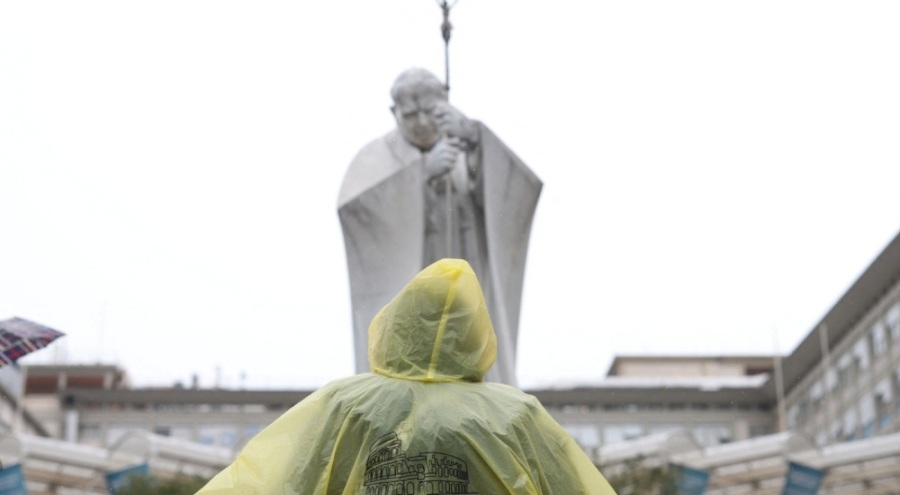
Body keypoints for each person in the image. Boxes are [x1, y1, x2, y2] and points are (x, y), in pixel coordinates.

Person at [196, 259, 616, 494]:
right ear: (476, 330)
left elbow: (270, 482)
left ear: (398, 319)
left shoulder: (343, 406)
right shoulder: (515, 416)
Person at [338, 68, 541, 386]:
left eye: (429, 112)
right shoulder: (374, 158)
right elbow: (359, 214)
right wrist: (419, 175)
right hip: (414, 275)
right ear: (394, 113)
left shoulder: (463, 146)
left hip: (464, 269)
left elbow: (514, 196)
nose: (420, 122)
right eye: (410, 115)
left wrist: (475, 139)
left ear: (445, 103)